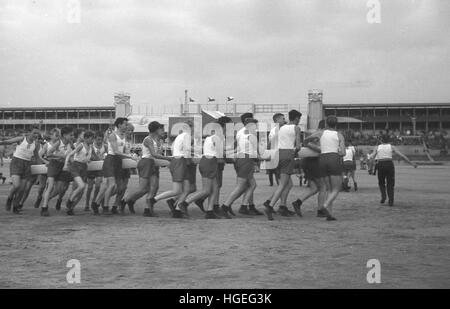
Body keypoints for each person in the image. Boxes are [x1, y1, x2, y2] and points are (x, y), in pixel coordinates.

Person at [123, 121, 171, 217]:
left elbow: (157, 154)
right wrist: (168, 158)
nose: (163, 131)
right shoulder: (148, 139)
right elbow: (153, 154)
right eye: (161, 129)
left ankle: (148, 209)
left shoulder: (159, 140)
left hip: (153, 163)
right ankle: (125, 201)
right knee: (143, 189)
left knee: (154, 187)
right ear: (156, 130)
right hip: (146, 163)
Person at [263, 110, 302, 220]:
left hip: (279, 154)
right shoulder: (296, 128)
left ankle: (279, 205)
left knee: (288, 184)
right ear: (297, 119)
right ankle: (270, 206)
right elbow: (298, 146)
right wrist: (295, 152)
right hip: (288, 154)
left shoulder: (281, 128)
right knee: (283, 184)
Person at [220, 117, 262, 219]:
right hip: (246, 159)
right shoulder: (251, 135)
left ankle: (243, 206)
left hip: (241, 159)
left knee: (252, 185)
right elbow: (256, 151)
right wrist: (262, 158)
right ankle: (225, 206)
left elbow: (238, 146)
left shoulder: (240, 132)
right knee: (241, 186)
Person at [306, 116, 346, 221]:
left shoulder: (321, 133)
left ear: (326, 124)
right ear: (336, 124)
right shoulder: (339, 135)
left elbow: (306, 141)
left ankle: (330, 214)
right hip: (334, 158)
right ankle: (325, 205)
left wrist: (317, 148)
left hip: (322, 159)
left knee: (329, 188)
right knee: (336, 188)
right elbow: (343, 153)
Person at [95, 118, 136, 215]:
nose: (126, 126)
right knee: (112, 185)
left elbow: (123, 150)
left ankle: (99, 203)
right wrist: (131, 156)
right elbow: (116, 151)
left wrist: (131, 155)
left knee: (121, 187)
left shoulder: (124, 137)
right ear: (119, 125)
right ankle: (105, 207)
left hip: (118, 162)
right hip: (111, 160)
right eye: (125, 124)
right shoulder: (112, 135)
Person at [0, 126, 41, 213]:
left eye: (37, 133)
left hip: (27, 165)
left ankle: (15, 207)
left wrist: (42, 165)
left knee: (22, 189)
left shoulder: (36, 144)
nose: (36, 135)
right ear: (29, 132)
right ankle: (10, 198)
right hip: (16, 162)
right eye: (34, 133)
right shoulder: (21, 139)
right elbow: (7, 141)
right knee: (16, 185)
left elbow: (37, 156)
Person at [292, 120, 328, 217]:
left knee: (314, 188)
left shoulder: (317, 133)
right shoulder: (320, 134)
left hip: (307, 162)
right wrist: (320, 150)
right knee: (323, 187)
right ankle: (320, 210)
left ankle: (298, 202)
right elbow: (305, 142)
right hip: (313, 162)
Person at [369, 134, 417, 206]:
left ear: (381, 140)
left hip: (381, 164)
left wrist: (370, 167)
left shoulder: (377, 147)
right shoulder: (391, 147)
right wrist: (411, 163)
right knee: (390, 184)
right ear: (388, 140)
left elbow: (371, 157)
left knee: (381, 182)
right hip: (389, 164)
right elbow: (401, 155)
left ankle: (383, 196)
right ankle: (391, 201)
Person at [40, 126, 74, 216]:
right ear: (64, 135)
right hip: (54, 165)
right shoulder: (58, 143)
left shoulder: (70, 143)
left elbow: (74, 152)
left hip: (63, 166)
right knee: (50, 186)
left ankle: (49, 199)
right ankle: (44, 208)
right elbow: (48, 154)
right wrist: (60, 155)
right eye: (71, 135)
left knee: (61, 188)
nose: (72, 136)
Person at [65, 130, 94, 215]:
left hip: (84, 168)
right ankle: (70, 201)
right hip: (76, 167)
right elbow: (70, 155)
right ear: (85, 138)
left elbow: (87, 157)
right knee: (81, 186)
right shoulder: (81, 146)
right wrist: (66, 164)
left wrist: (88, 160)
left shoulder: (91, 147)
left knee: (81, 191)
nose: (92, 141)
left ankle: (71, 208)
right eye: (91, 139)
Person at [84, 131, 107, 213]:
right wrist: (99, 158)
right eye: (97, 139)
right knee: (90, 187)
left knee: (98, 186)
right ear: (94, 139)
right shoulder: (91, 147)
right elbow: (92, 156)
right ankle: (87, 203)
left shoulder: (105, 146)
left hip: (100, 169)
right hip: (91, 168)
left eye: (101, 140)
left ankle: (94, 201)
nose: (99, 141)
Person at [266, 113, 285, 186]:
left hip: (283, 153)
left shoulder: (284, 129)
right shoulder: (274, 131)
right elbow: (270, 144)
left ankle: (280, 185)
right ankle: (278, 185)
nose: (284, 120)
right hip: (276, 154)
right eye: (283, 119)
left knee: (281, 173)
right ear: (277, 120)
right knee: (277, 172)